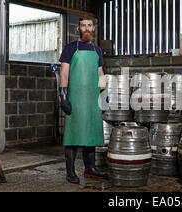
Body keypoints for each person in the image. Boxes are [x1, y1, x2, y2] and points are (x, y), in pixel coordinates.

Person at [58, 17, 108, 184]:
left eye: (89, 25)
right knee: (73, 134)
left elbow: (100, 73)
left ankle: (90, 168)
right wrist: (63, 95)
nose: (86, 28)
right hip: (76, 97)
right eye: (83, 25)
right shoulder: (70, 48)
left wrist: (103, 93)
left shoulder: (97, 50)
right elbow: (64, 72)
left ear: (93, 28)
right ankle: (70, 172)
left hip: (92, 98)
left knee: (92, 132)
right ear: (77, 28)